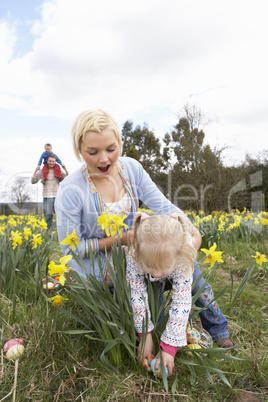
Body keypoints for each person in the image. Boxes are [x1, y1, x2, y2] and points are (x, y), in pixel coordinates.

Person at [55, 109, 233, 348]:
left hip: (138, 250)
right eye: (92, 152)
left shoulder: (131, 169)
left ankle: (218, 330)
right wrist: (123, 239)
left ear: (119, 142)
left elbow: (163, 206)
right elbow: (71, 249)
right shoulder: (70, 189)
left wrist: (190, 231)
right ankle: (155, 333)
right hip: (98, 265)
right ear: (79, 149)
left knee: (187, 265)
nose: (104, 159)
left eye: (111, 149)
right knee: (151, 271)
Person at [126, 211, 197, 377]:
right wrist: (145, 335)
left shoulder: (182, 258)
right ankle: (155, 332)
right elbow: (137, 294)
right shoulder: (134, 256)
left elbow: (181, 302)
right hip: (161, 264)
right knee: (153, 293)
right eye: (151, 266)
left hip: (181, 267)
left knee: (201, 288)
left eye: (162, 268)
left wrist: (169, 347)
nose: (157, 274)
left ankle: (218, 329)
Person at [32, 154, 67, 230]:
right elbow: (33, 181)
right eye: (50, 161)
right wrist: (35, 171)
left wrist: (65, 169)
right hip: (47, 197)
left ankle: (61, 235)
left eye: (53, 161)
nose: (51, 163)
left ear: (55, 162)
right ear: (47, 161)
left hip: (57, 197)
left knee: (61, 218)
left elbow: (68, 178)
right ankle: (50, 235)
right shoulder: (42, 171)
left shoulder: (58, 170)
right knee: (48, 218)